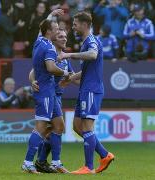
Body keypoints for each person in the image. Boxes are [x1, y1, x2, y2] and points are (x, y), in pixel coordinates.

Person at [58, 11, 114, 174]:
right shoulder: (85, 42)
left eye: (75, 23)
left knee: (87, 128)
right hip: (85, 89)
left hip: (91, 90)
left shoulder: (91, 41)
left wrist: (68, 54)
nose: (73, 26)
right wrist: (71, 78)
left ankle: (88, 167)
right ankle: (104, 155)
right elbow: (87, 70)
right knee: (77, 126)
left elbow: (93, 54)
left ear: (84, 24)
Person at [21, 9, 70, 174]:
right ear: (49, 31)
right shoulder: (49, 47)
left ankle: (56, 162)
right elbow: (50, 67)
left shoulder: (39, 40)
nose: (58, 30)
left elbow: (42, 28)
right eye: (56, 28)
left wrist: (51, 15)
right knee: (41, 128)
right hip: (46, 92)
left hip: (48, 92)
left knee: (59, 125)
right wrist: (64, 73)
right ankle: (28, 162)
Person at [28, 29, 75, 173]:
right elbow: (33, 72)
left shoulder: (65, 58)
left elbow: (71, 76)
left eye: (66, 36)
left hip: (57, 96)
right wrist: (33, 81)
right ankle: (46, 161)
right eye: (61, 36)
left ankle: (42, 161)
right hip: (49, 95)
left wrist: (86, 73)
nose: (64, 39)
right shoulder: (50, 54)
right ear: (53, 39)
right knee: (56, 128)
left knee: (56, 129)